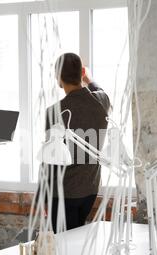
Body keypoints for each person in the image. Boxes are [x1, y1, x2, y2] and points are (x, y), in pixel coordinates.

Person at [45, 52, 112, 233]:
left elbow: (50, 159)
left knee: (62, 247)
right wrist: (89, 79)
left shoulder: (54, 112)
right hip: (90, 188)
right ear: (82, 73)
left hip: (63, 191)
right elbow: (101, 91)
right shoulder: (102, 101)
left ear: (58, 77)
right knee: (76, 241)